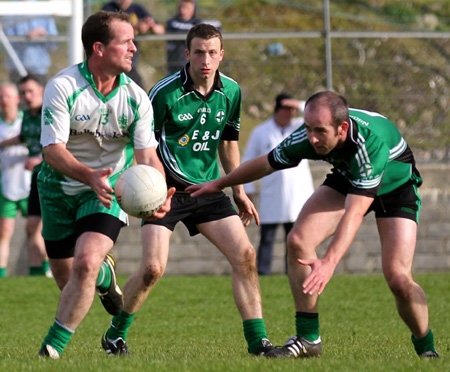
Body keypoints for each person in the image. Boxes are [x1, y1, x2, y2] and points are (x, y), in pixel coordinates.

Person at [187, 91, 439, 359]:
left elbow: (354, 213)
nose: (312, 138)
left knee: (398, 278)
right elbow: (266, 163)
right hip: (348, 178)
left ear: (342, 128)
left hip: (395, 187)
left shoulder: (369, 144)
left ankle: (426, 348)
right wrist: (220, 183)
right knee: (298, 241)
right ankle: (308, 338)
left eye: (319, 131)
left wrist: (329, 262)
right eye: (307, 128)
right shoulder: (308, 137)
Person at [101, 23, 285, 358]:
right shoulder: (164, 93)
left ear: (221, 56)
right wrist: (146, 185)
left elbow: (228, 145)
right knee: (152, 269)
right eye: (199, 51)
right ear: (187, 54)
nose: (205, 59)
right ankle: (115, 335)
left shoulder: (231, 92)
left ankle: (258, 343)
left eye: (212, 52)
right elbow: (143, 145)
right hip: (165, 192)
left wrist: (239, 191)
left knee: (245, 256)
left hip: (210, 188)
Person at [37, 11, 173, 359]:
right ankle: (103, 277)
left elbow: (146, 156)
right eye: (125, 42)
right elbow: (52, 151)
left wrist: (158, 189)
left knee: (85, 262)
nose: (134, 48)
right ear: (99, 48)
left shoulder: (136, 99)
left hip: (109, 192)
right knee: (69, 279)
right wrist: (87, 175)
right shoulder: (63, 87)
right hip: (57, 191)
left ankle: (51, 350)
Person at [242, 94, 314, 276]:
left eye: (292, 110)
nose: (290, 113)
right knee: (267, 237)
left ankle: (293, 271)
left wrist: (298, 104)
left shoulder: (302, 127)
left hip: (298, 194)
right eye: (286, 109)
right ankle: (263, 272)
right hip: (271, 193)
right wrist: (247, 190)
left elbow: (320, 112)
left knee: (295, 237)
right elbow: (248, 159)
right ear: (278, 109)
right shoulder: (261, 131)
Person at [0, 75, 51, 277]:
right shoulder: (27, 117)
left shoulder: (49, 113)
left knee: (47, 229)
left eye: (30, 91)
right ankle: (36, 275)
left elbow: (63, 142)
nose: (27, 96)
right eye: (23, 92)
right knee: (31, 227)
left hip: (51, 178)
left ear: (41, 90)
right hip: (35, 179)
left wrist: (40, 158)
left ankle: (48, 271)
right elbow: (23, 137)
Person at [0, 83, 30, 278]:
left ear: (17, 99)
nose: (4, 101)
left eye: (8, 96)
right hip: (6, 185)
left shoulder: (27, 122)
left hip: (29, 184)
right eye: (1, 97)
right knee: (4, 232)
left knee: (37, 230)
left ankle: (45, 271)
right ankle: (2, 275)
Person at [102, 0, 165, 89]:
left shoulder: (138, 8)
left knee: (137, 88)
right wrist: (135, 27)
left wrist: (150, 26)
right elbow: (107, 29)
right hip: (113, 61)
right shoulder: (108, 8)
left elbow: (160, 29)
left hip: (131, 62)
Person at [2, 1, 58, 86]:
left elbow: (54, 44)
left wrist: (42, 34)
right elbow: (5, 42)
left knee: (39, 98)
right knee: (17, 98)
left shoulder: (44, 9)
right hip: (16, 68)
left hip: (39, 69)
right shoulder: (10, 10)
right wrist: (24, 37)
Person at [166, 0, 203, 75]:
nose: (183, 11)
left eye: (186, 8)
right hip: (174, 65)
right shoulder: (172, 22)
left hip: (191, 65)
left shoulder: (198, 21)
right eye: (181, 7)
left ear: (193, 9)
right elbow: (177, 28)